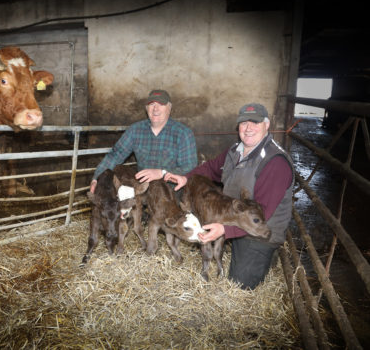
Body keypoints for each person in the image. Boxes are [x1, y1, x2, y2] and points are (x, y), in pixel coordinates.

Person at [165, 103, 293, 289]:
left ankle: (265, 253)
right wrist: (186, 178)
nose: (248, 128)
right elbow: (210, 168)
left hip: (258, 230)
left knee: (240, 284)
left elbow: (265, 213)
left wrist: (226, 230)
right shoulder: (235, 151)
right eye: (243, 123)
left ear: (267, 125)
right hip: (232, 218)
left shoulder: (275, 163)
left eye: (255, 122)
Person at [90, 89, 197, 193]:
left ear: (169, 108)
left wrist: (162, 173)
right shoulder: (135, 130)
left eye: (161, 104)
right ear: (146, 108)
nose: (155, 109)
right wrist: (97, 178)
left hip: (172, 193)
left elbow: (189, 166)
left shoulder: (183, 134)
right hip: (143, 191)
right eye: (151, 104)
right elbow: (115, 155)